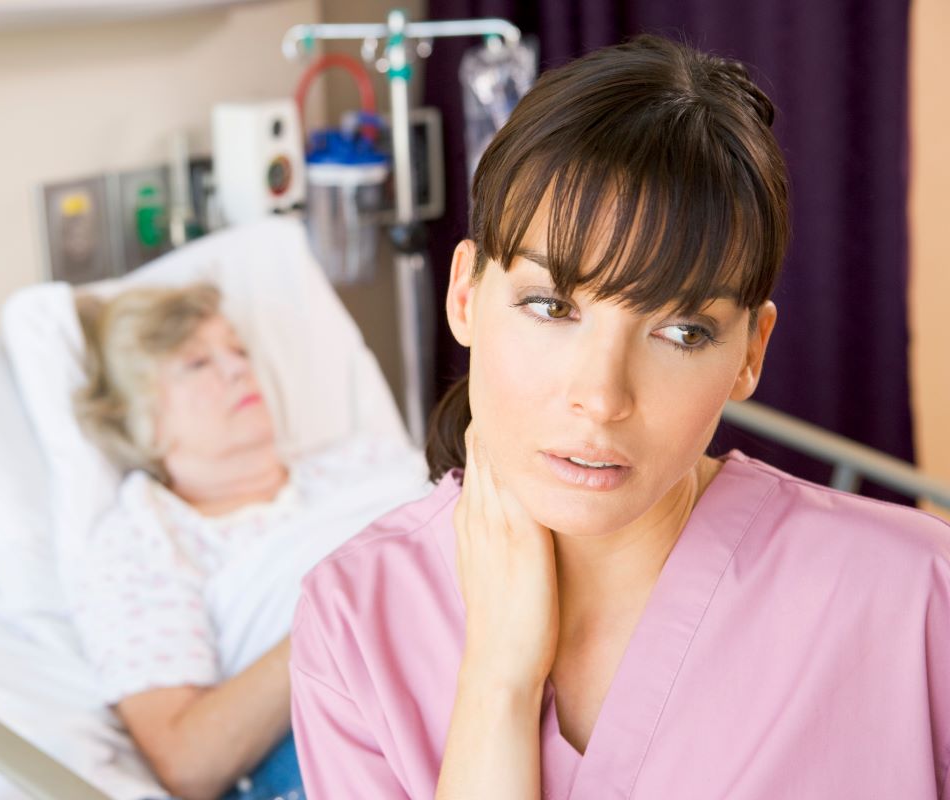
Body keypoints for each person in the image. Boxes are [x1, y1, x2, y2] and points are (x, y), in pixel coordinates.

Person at [289, 34, 950, 799]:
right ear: (465, 295)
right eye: (550, 307)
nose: (602, 398)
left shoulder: (917, 599)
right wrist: (498, 680)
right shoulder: (354, 624)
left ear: (750, 352)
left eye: (681, 333)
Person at [64, 283, 427, 800]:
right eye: (197, 363)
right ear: (141, 422)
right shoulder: (145, 540)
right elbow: (187, 761)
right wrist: (342, 615)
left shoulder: (363, 462)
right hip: (335, 730)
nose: (237, 368)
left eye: (237, 350)